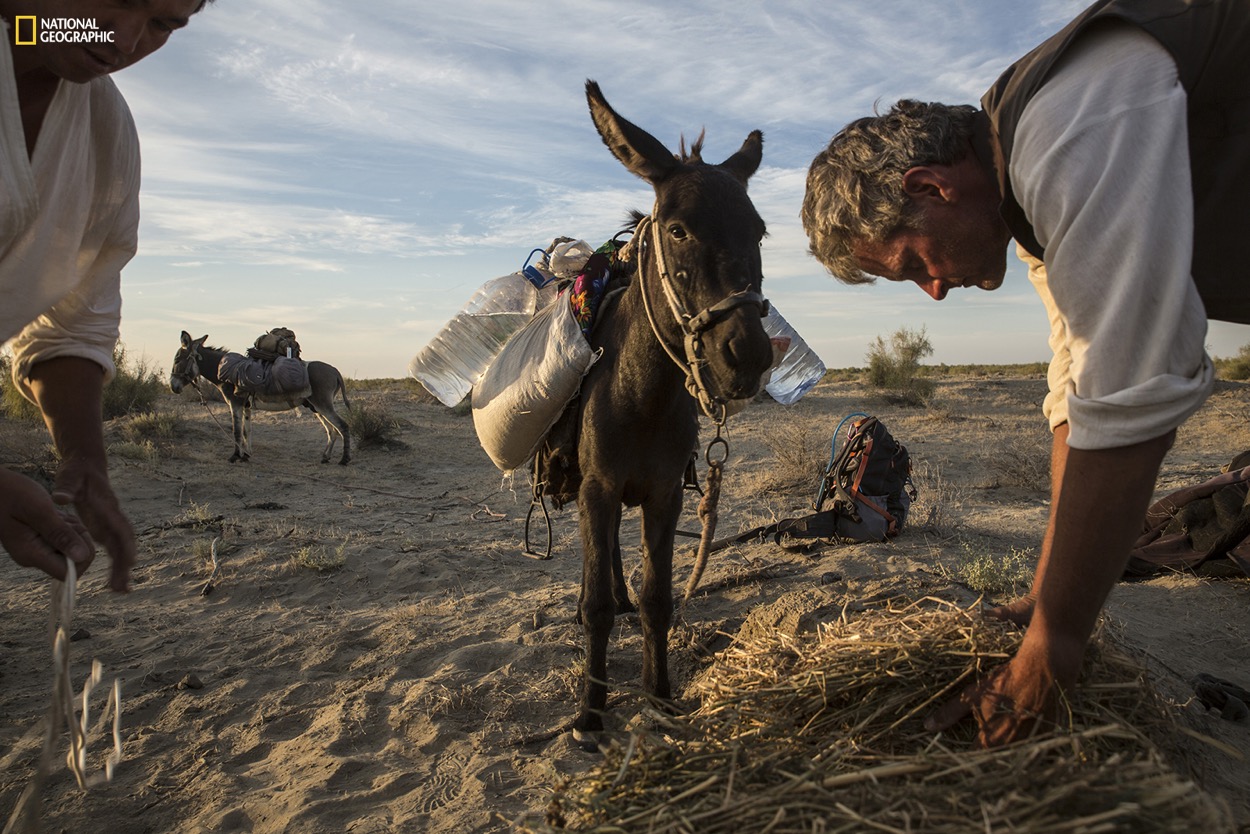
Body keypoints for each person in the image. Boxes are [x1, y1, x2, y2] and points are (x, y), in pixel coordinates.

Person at [801, 0, 1249, 747]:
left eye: (914, 265)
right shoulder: (1031, 215)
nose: (934, 292)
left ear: (929, 187)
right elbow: (1078, 393)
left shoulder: (1067, 124)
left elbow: (1133, 390)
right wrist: (1043, 601)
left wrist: (1057, 646)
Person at [1, 0, 211, 591]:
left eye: (164, 24)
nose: (121, 39)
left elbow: (72, 323)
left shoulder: (103, 131)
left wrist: (84, 458)